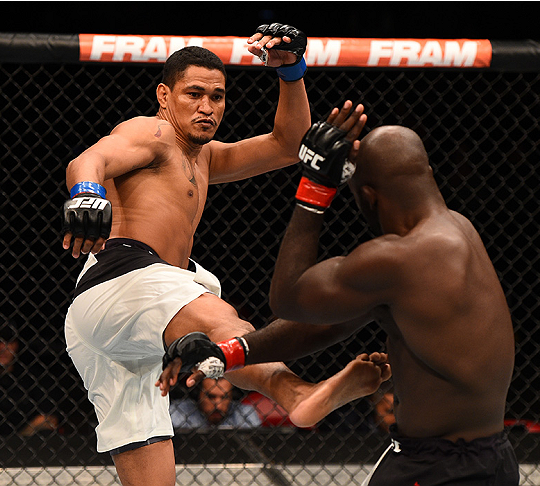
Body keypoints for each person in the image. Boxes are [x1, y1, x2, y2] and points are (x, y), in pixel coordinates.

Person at [61, 23, 386, 486]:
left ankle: (269, 381)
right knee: (224, 319)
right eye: (194, 94)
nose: (207, 107)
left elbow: (286, 145)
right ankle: (295, 393)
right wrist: (87, 193)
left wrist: (290, 73)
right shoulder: (151, 133)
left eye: (217, 97)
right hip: (125, 281)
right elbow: (89, 158)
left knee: (150, 471)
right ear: (164, 96)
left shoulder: (204, 157)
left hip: (112, 326)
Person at [159, 110, 520, 484]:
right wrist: (227, 353)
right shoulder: (457, 231)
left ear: (367, 195)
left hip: (437, 466)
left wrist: (316, 186)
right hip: (489, 457)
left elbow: (288, 298)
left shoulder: (403, 257)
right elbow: (323, 325)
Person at [170, 377, 261, 431]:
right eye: (211, 396)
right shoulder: (178, 412)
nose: (218, 405)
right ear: (198, 394)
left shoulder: (245, 414)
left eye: (224, 397)